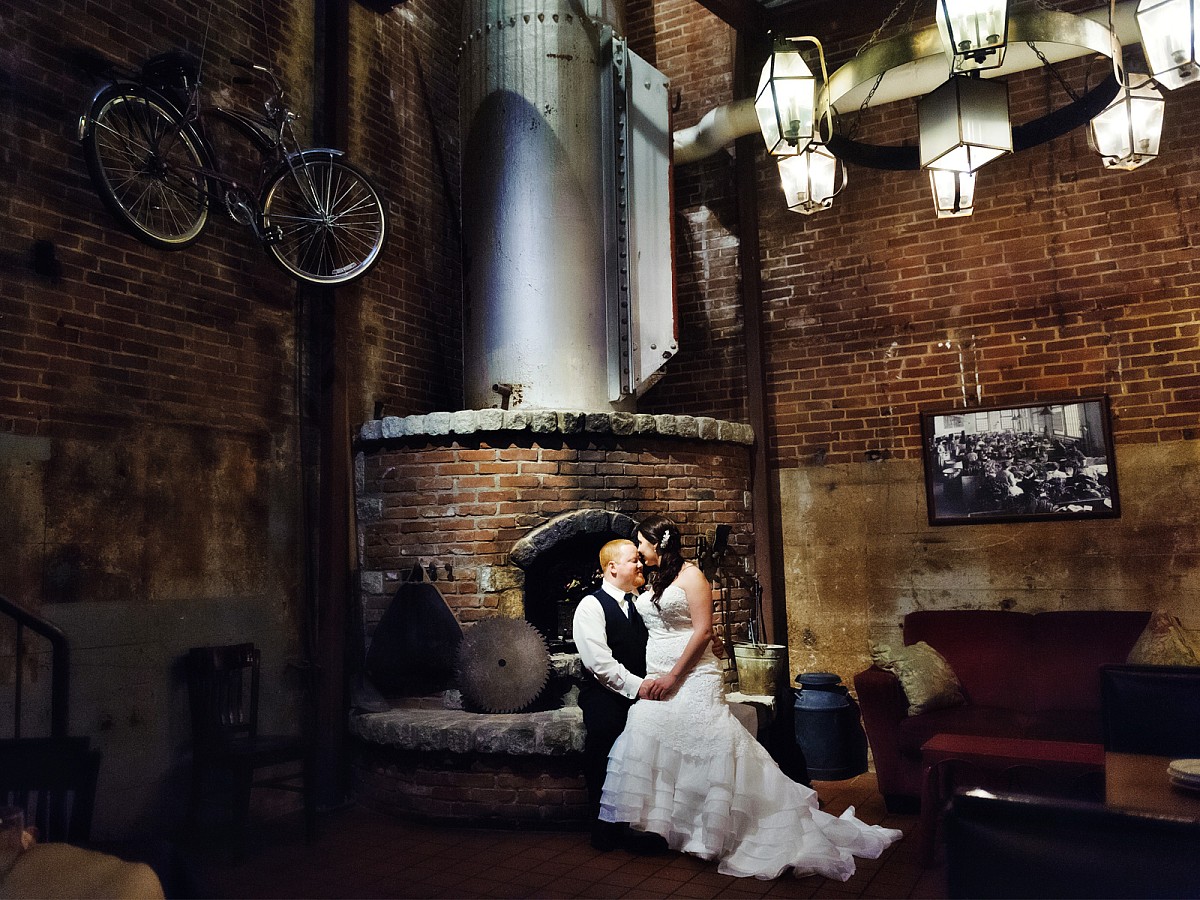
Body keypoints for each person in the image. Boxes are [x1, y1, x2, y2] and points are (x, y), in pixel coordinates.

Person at [600, 515, 902, 881]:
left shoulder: (692, 576)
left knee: (711, 743)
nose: (639, 551)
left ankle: (719, 831)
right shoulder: (651, 582)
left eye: (641, 544)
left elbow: (704, 630)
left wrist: (675, 675)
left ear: (657, 543)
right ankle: (673, 828)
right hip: (657, 673)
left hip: (691, 675)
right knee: (654, 736)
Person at [571, 538, 661, 852]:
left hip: (647, 693)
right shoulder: (591, 606)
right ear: (612, 568)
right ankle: (604, 826)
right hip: (606, 695)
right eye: (634, 560)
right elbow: (599, 664)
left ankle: (643, 825)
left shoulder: (644, 602)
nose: (641, 565)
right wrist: (640, 688)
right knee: (606, 740)